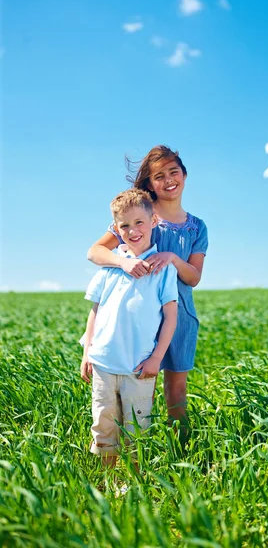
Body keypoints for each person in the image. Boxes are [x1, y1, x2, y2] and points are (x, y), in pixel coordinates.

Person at [87, 145, 208, 437]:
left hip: (178, 315)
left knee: (176, 387)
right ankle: (141, 447)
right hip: (138, 317)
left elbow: (193, 277)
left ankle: (179, 446)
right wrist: (122, 263)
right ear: (149, 183)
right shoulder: (138, 215)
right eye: (159, 176)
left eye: (173, 172)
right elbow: (95, 251)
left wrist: (172, 259)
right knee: (139, 384)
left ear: (185, 174)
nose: (168, 180)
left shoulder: (196, 228)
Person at [81, 188, 178, 467]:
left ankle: (134, 483)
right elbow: (94, 312)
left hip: (139, 367)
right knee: (104, 425)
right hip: (103, 364)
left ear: (153, 221)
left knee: (137, 429)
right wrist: (87, 352)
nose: (133, 230)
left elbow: (170, 316)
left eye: (139, 223)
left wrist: (156, 359)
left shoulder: (162, 269)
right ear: (115, 229)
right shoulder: (109, 268)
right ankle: (109, 480)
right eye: (124, 225)